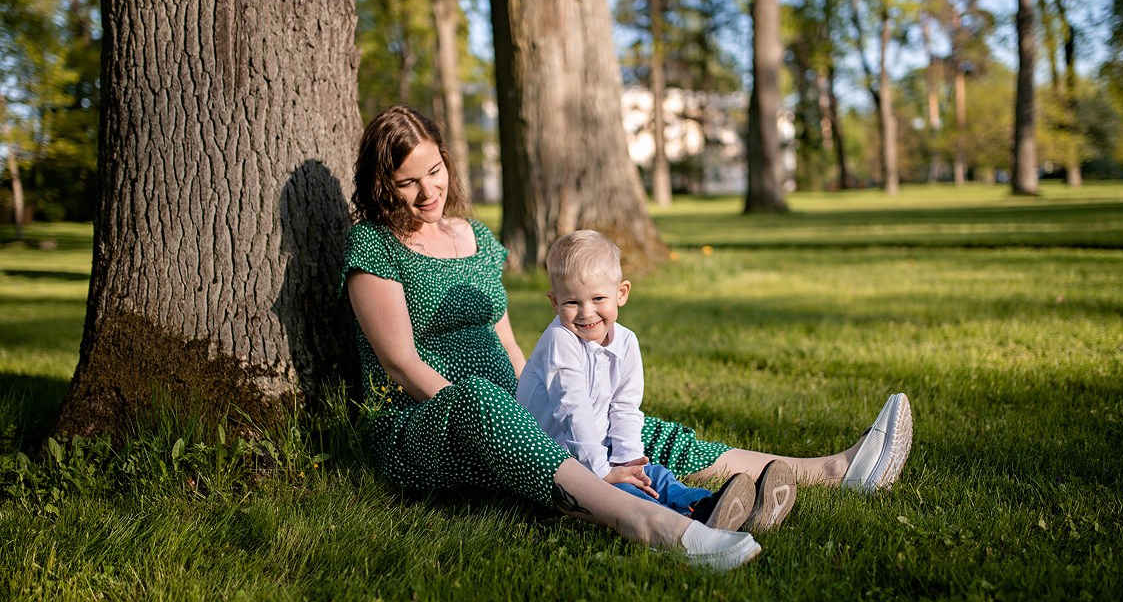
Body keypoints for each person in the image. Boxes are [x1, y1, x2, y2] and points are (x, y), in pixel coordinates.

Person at [342, 104, 912, 572]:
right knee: (486, 402)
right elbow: (401, 365)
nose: (428, 191)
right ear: (382, 185)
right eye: (407, 182)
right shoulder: (373, 248)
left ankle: (834, 472)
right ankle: (653, 524)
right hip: (427, 426)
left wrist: (545, 406)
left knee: (629, 429)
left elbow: (511, 347)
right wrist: (510, 424)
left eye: (435, 170)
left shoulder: (473, 236)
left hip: (508, 408)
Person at [516, 229, 796, 533]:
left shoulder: (625, 342)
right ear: (554, 302)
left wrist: (628, 461)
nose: (586, 313)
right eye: (572, 302)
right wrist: (601, 472)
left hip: (596, 448)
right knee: (622, 493)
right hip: (555, 459)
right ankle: (685, 523)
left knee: (656, 476)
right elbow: (573, 408)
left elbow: (625, 405)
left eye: (598, 298)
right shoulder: (560, 339)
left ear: (621, 293)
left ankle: (714, 505)